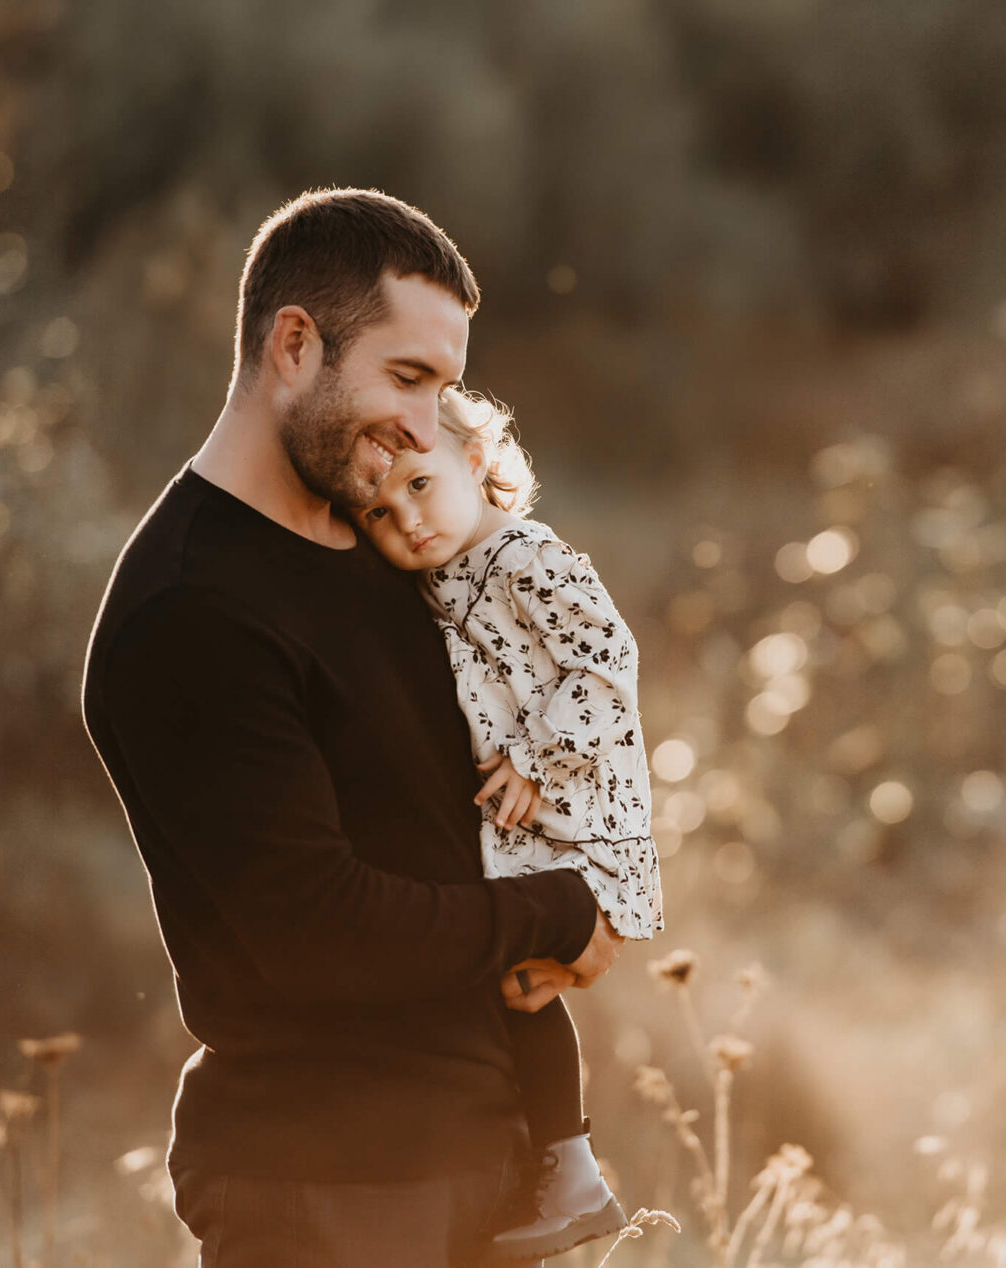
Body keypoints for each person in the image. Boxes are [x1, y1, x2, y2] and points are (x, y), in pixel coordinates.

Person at [81, 187, 623, 1267]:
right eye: (407, 376)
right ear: (293, 344)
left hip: (486, 1164)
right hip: (329, 1194)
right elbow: (314, 933)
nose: (427, 424)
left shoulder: (381, 536)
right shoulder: (189, 611)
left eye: (445, 386)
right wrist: (554, 909)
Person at [356, 387, 664, 1260]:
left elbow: (608, 664)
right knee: (517, 993)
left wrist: (535, 755)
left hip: (576, 817)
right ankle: (562, 1166)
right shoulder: (450, 575)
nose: (406, 521)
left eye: (419, 485)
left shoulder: (525, 556)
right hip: (531, 822)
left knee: (525, 985)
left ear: (478, 464)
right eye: (379, 511)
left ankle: (572, 1171)